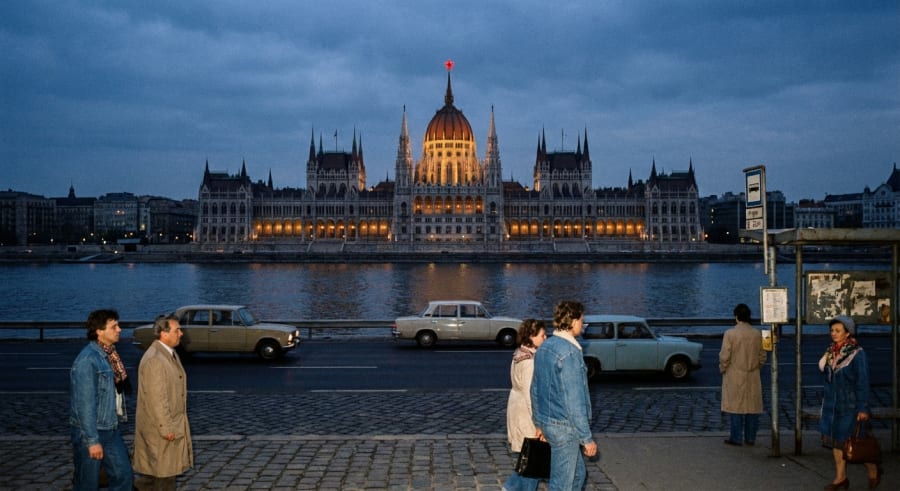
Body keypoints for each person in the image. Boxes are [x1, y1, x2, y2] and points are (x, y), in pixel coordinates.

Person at [531, 301, 597, 490]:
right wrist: (587, 438)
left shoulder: (545, 346)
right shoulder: (569, 354)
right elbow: (574, 401)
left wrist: (538, 423)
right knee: (561, 485)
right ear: (574, 321)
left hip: (549, 422)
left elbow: (535, 389)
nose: (582, 325)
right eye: (582, 320)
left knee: (578, 475)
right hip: (564, 428)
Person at [69, 309, 134, 490]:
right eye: (114, 326)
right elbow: (85, 404)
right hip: (91, 431)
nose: (119, 329)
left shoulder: (110, 356)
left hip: (110, 427)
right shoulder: (88, 360)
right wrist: (92, 441)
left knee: (124, 475)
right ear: (99, 330)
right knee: (87, 483)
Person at [819, 316, 883, 490]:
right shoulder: (831, 351)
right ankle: (840, 478)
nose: (834, 334)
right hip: (833, 404)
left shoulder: (857, 353)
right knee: (836, 441)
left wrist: (862, 407)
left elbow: (862, 381)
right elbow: (828, 376)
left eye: (838, 331)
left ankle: (873, 468)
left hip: (850, 405)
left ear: (848, 333)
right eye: (832, 330)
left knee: (854, 443)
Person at [133, 314, 193, 490]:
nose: (181, 333)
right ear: (164, 334)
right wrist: (166, 428)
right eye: (177, 330)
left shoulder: (167, 354)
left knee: (155, 476)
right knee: (164, 477)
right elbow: (157, 399)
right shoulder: (155, 360)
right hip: (161, 431)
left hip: (165, 428)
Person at [502, 319, 548, 491]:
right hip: (525, 414)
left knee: (527, 457)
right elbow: (531, 396)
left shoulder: (519, 353)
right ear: (531, 336)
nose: (545, 338)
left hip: (516, 407)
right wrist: (539, 424)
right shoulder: (530, 361)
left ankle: (509, 487)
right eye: (542, 335)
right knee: (533, 462)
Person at [719, 303, 767, 446]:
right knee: (752, 407)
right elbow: (762, 356)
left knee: (736, 407)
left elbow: (724, 356)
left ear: (736, 317)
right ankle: (750, 437)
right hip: (752, 374)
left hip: (735, 373)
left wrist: (723, 368)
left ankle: (736, 437)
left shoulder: (730, 334)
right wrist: (756, 367)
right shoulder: (757, 334)